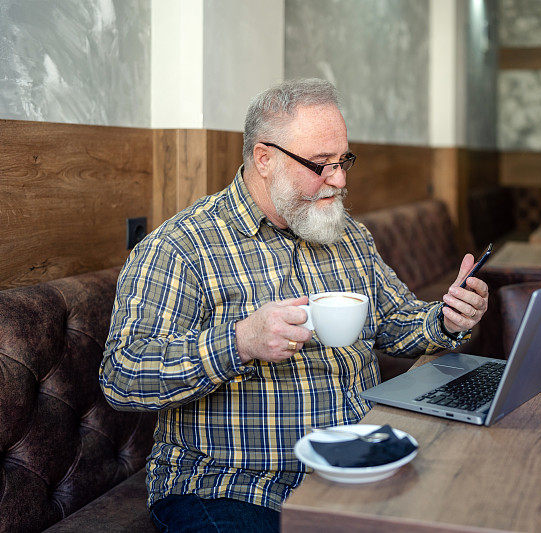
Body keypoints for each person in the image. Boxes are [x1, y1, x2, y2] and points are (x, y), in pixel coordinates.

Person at [100, 78, 489, 533]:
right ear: (264, 159)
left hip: (355, 466)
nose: (339, 179)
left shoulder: (347, 236)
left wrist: (446, 318)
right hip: (234, 486)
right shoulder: (182, 247)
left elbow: (395, 320)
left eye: (343, 161)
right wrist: (240, 341)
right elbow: (122, 377)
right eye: (321, 164)